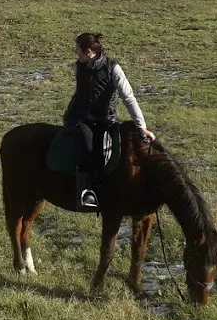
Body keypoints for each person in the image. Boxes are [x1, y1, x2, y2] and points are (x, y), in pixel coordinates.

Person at [62, 32, 154, 209]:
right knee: (88, 146)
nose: (76, 53)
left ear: (88, 51)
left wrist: (141, 127)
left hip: (106, 120)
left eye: (77, 50)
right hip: (80, 119)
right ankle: (86, 193)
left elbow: (128, 98)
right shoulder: (79, 66)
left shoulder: (113, 68)